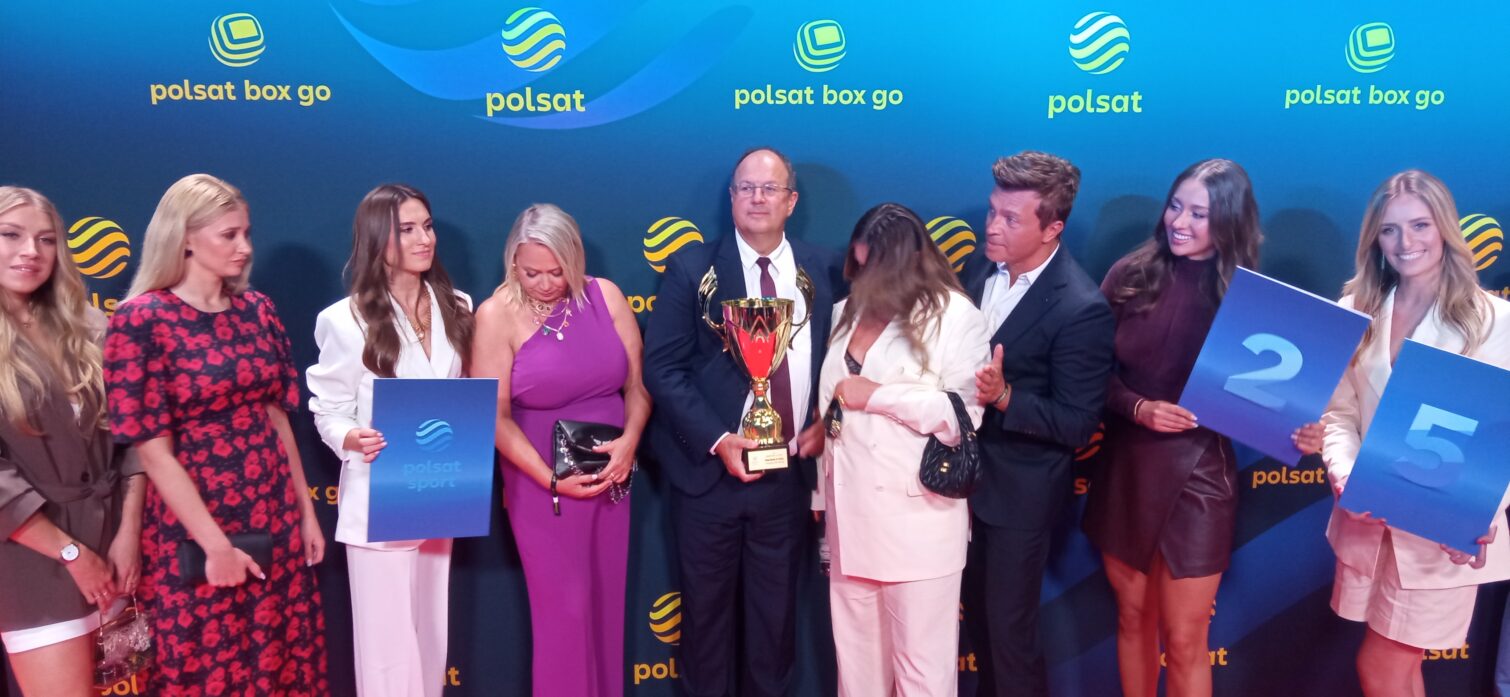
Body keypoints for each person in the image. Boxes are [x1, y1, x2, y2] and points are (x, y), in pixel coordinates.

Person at [104, 173, 328, 696]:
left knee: (281, 660)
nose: (244, 247)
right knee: (206, 667)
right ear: (184, 238)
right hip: (194, 524)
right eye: (229, 235)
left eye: (246, 233)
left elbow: (277, 417)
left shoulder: (258, 310)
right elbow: (153, 453)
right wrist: (216, 546)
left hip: (273, 512)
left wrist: (305, 510)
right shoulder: (141, 320)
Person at [643, 146, 844, 697]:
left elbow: (848, 361)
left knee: (774, 627)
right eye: (746, 188)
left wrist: (825, 422)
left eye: (769, 188)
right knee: (705, 627)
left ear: (791, 201)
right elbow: (662, 368)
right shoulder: (692, 268)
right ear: (731, 198)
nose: (757, 198)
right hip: (707, 477)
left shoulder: (826, 270)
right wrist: (717, 439)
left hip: (787, 479)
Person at [1080, 159, 1276, 697]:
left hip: (1202, 477)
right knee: (1132, 617)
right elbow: (1087, 372)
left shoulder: (1251, 297)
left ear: (1229, 220)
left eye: (1199, 213)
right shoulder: (1130, 274)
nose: (1180, 222)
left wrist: (1301, 432)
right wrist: (1137, 407)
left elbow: (1275, 403)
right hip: (1127, 467)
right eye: (1175, 206)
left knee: (1187, 638)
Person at [1318, 170, 1510, 697]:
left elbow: (1502, 430)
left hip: (1440, 533)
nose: (1406, 242)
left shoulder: (1496, 321)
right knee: (1399, 672)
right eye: (1390, 229)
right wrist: (1345, 475)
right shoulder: (1355, 311)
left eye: (1420, 225)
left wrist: (1482, 511)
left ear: (1445, 228)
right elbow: (1339, 414)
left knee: (1380, 667)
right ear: (1374, 239)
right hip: (1366, 523)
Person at [471, 203, 649, 697]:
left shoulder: (605, 296)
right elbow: (494, 415)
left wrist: (630, 442)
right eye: (532, 273)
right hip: (542, 489)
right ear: (513, 261)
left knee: (605, 607)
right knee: (564, 615)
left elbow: (637, 387)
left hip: (610, 479)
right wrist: (549, 478)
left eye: (557, 272)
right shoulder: (495, 316)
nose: (546, 284)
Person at [306, 184, 473, 697]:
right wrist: (350, 437)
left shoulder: (458, 306)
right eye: (408, 229)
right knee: (387, 648)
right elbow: (327, 408)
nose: (425, 239)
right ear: (378, 239)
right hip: (381, 495)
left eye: (428, 226)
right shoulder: (343, 319)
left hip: (440, 490)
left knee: (431, 633)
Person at [959, 150, 1116, 697]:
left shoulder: (1081, 307)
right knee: (978, 629)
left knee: (1009, 637)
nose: (992, 226)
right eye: (992, 211)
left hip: (1019, 497)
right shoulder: (978, 269)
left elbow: (1078, 423)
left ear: (1052, 228)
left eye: (1011, 219)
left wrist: (1006, 398)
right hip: (958, 485)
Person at [819, 203, 989, 696]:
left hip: (918, 527)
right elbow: (831, 410)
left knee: (923, 678)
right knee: (857, 677)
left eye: (875, 268)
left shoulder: (956, 317)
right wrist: (819, 495)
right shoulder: (843, 312)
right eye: (859, 266)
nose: (865, 280)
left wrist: (878, 396)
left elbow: (962, 418)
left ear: (910, 261)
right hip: (849, 524)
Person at [0, 187, 145, 696]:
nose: (31, 252)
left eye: (45, 239)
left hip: (113, 555)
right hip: (31, 567)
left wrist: (128, 534)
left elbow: (132, 438)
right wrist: (70, 554)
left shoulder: (89, 325)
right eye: (10, 235)